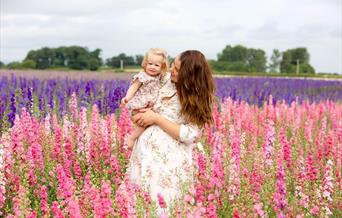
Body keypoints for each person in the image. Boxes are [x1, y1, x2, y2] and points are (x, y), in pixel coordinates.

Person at [124, 50, 215, 215]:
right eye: (173, 64)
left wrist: (156, 119)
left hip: (169, 165)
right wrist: (138, 113)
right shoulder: (164, 80)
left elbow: (191, 135)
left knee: (164, 207)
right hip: (143, 157)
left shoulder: (195, 98)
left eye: (177, 69)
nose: (172, 70)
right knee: (137, 205)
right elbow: (141, 93)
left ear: (189, 76)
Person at [120, 48, 169, 148]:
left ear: (162, 67)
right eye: (150, 63)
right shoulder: (142, 76)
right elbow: (133, 88)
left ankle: (139, 142)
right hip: (139, 105)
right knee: (143, 123)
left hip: (149, 106)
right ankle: (132, 138)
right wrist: (127, 98)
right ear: (145, 63)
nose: (152, 67)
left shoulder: (160, 77)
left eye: (157, 65)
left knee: (149, 124)